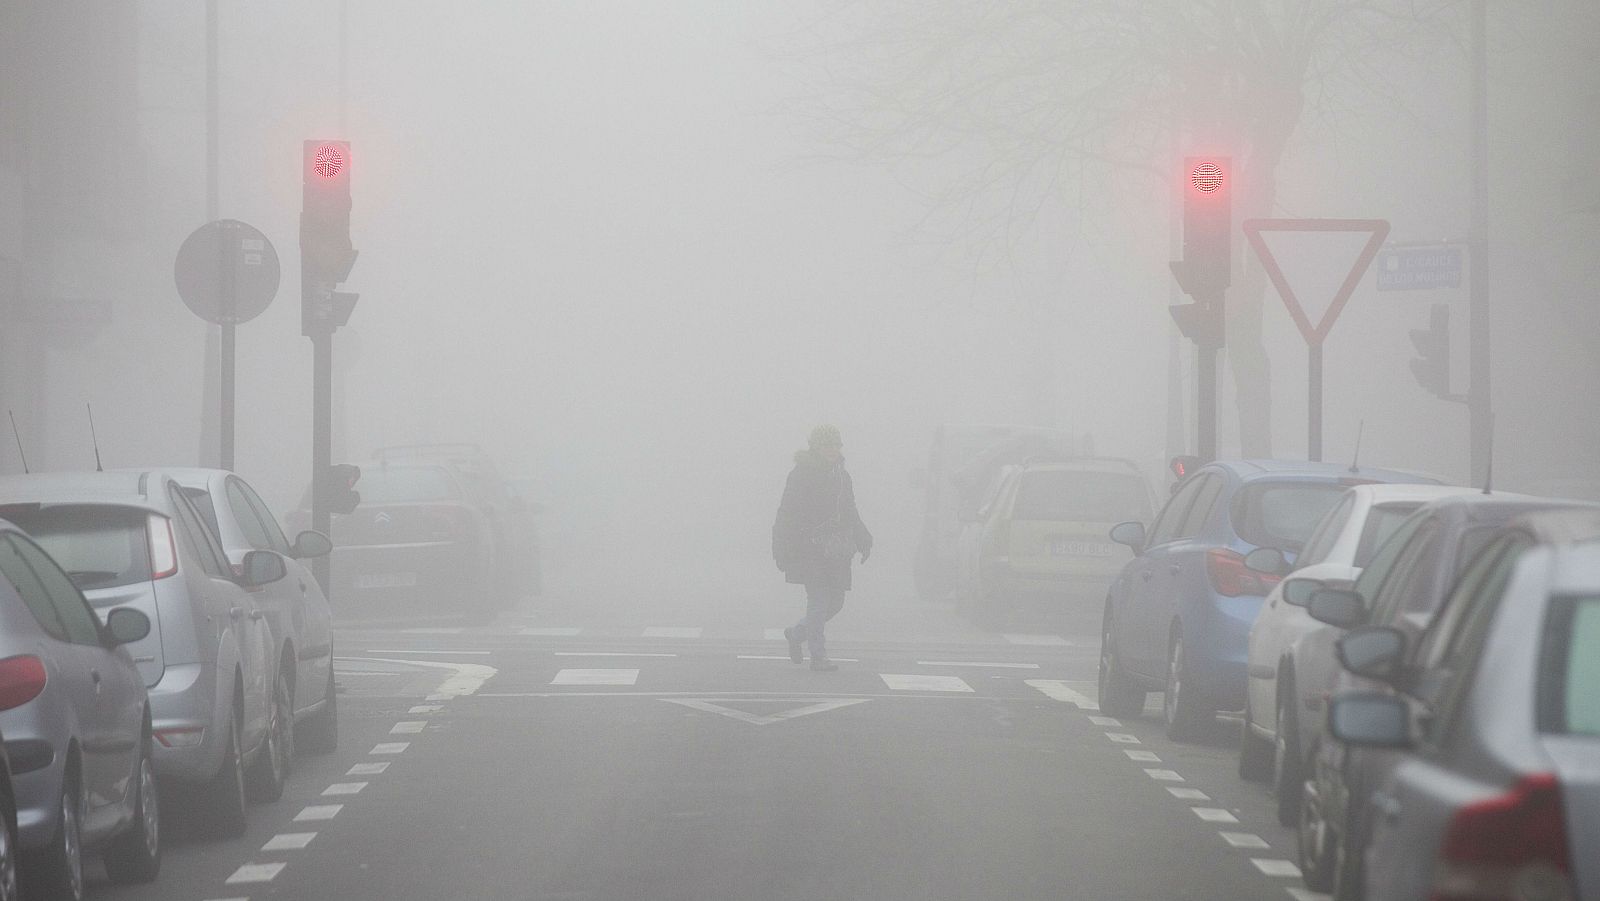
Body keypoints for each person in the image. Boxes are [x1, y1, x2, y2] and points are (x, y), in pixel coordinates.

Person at [772, 424, 872, 671]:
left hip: (837, 550)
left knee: (835, 602)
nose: (833, 450)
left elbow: (850, 510)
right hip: (809, 548)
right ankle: (818, 657)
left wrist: (863, 537)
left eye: (837, 445)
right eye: (828, 445)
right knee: (818, 600)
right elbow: (786, 513)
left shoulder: (842, 475)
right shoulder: (801, 474)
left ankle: (796, 634)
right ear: (816, 447)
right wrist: (781, 547)